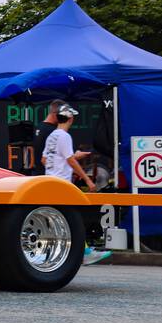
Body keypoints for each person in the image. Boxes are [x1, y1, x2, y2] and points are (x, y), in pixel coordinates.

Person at [40, 106, 110, 265]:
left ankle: (76, 252)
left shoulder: (52, 136)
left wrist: (66, 163)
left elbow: (44, 160)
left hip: (50, 181)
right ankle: (84, 253)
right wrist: (87, 179)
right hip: (62, 185)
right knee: (72, 219)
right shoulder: (64, 136)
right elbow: (70, 160)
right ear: (70, 119)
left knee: (60, 220)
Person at [30, 100, 64, 176]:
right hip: (48, 176)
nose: (63, 118)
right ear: (56, 114)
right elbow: (48, 159)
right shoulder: (53, 131)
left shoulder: (39, 127)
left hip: (39, 174)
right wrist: (74, 157)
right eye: (62, 115)